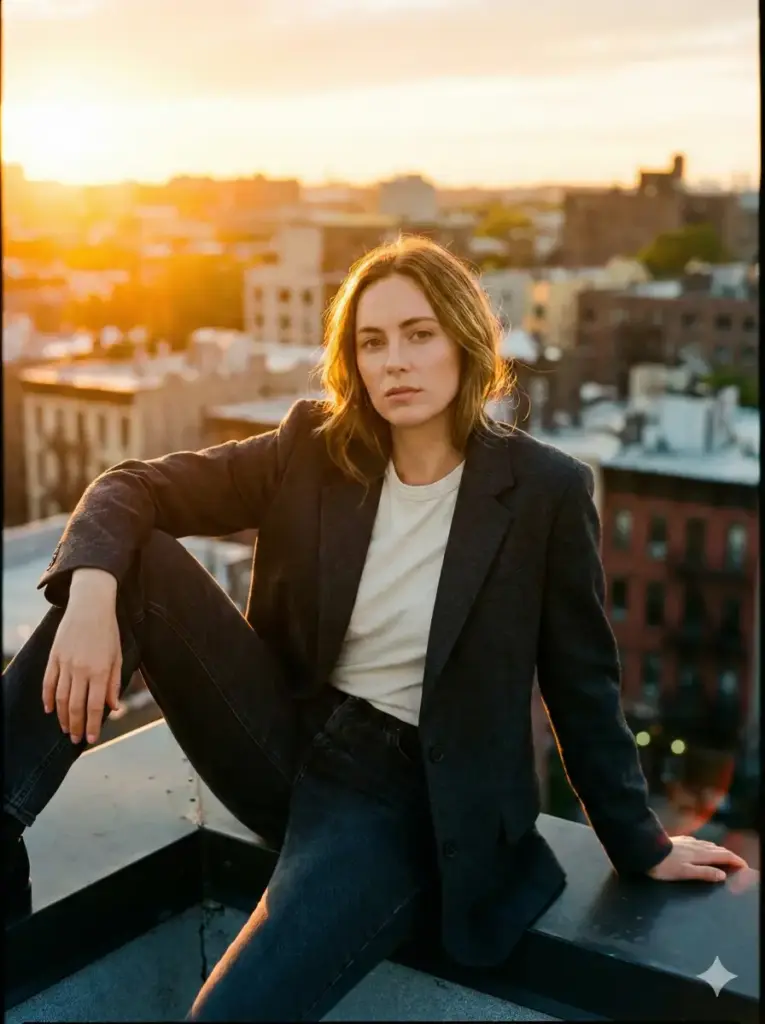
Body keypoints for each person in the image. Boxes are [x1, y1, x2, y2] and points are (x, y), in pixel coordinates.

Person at [3, 236, 748, 1021]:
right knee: (136, 563)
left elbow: (582, 684)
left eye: (417, 334)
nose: (393, 361)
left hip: (400, 798)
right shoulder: (315, 451)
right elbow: (134, 488)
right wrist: (92, 592)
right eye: (371, 341)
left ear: (464, 340)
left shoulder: (544, 492)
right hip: (287, 738)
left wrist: (642, 843)